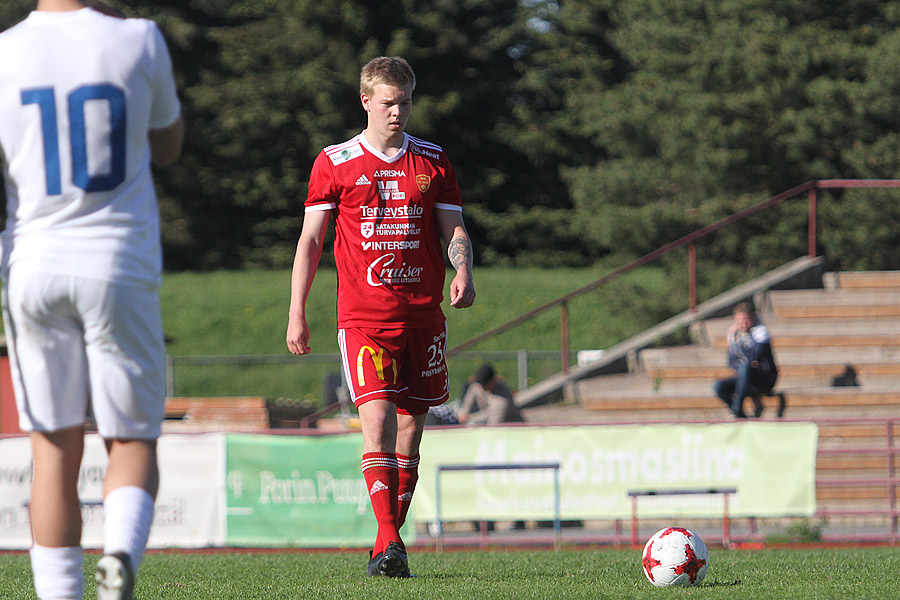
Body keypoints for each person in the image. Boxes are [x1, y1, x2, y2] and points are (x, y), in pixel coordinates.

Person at [0, 1, 184, 598]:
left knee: (52, 450)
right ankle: (117, 567)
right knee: (130, 439)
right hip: (116, 263)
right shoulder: (138, 39)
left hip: (32, 262)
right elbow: (169, 145)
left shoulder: (4, 53)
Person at [286, 56, 475, 578]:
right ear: (365, 101)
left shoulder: (433, 161)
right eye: (388, 102)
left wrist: (464, 272)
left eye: (405, 101)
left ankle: (386, 545)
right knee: (377, 421)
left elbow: (454, 230)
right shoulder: (336, 162)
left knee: (412, 431)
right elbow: (310, 242)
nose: (398, 111)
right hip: (364, 319)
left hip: (424, 318)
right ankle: (392, 540)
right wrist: (296, 311)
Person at [713, 303, 778, 419]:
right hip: (745, 379)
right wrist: (734, 340)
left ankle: (736, 411)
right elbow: (731, 362)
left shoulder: (760, 332)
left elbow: (755, 355)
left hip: (764, 379)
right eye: (739, 321)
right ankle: (739, 414)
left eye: (746, 319)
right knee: (719, 386)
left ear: (752, 318)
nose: (743, 323)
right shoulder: (734, 336)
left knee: (745, 367)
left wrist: (746, 361)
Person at [457, 364, 524, 425]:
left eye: (484, 386)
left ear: (492, 381)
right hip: (489, 417)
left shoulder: (501, 401)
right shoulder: (480, 386)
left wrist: (470, 418)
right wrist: (464, 412)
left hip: (511, 430)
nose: (481, 388)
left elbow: (492, 426)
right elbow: (474, 388)